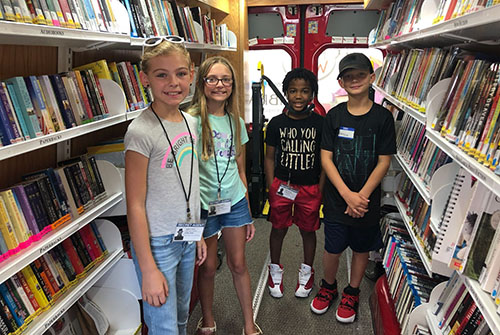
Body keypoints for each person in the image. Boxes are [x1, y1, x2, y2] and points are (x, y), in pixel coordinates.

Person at [124, 37, 207, 335]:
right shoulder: (140, 131)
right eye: (162, 75)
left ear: (192, 75)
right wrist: (147, 268)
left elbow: (190, 185)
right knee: (164, 328)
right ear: (145, 79)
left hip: (186, 238)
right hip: (158, 243)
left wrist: (196, 233)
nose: (174, 83)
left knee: (182, 316)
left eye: (181, 73)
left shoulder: (191, 122)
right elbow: (134, 203)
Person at [310, 53, 396, 323]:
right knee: (332, 248)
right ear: (341, 82)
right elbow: (326, 158)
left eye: (360, 75)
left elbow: (384, 161)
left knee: (361, 249)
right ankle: (329, 286)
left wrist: (361, 197)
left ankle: (352, 291)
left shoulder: (383, 118)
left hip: (366, 201)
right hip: (337, 199)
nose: (354, 80)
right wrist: (347, 195)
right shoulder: (333, 116)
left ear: (372, 78)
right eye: (348, 76)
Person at [189, 56, 261, 335]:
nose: (220, 85)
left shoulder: (236, 121)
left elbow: (240, 168)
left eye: (226, 79)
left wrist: (249, 215)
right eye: (213, 79)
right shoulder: (191, 120)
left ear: (232, 84)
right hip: (203, 206)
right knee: (207, 267)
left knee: (238, 264)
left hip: (234, 202)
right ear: (202, 83)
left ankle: (249, 324)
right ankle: (207, 320)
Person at [264, 68, 324, 299]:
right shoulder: (277, 124)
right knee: (278, 228)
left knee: (308, 231)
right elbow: (269, 158)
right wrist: (271, 187)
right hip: (282, 185)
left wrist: (321, 189)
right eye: (293, 91)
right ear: (286, 93)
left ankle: (307, 271)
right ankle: (275, 270)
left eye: (304, 91)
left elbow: (324, 158)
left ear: (312, 95)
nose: (298, 96)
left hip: (309, 188)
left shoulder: (320, 124)